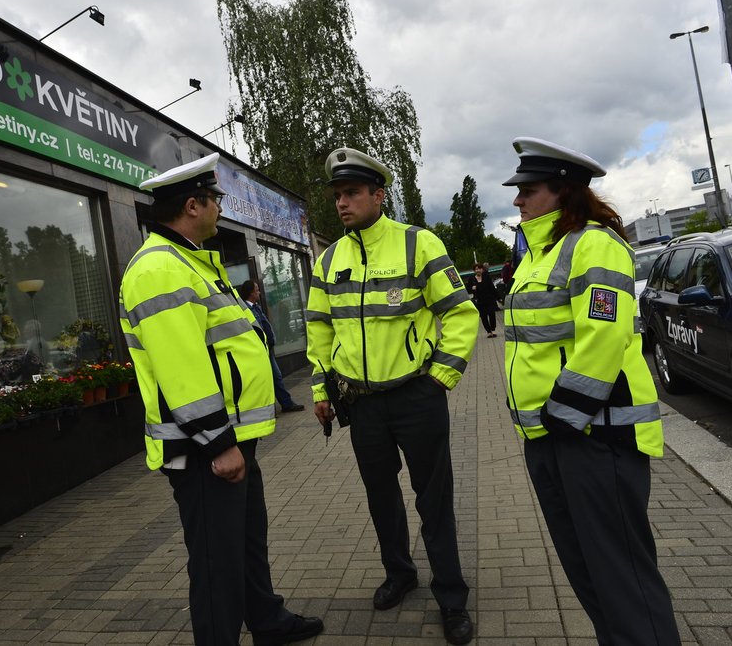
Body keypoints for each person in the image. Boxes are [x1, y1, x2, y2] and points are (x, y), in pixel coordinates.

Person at [119, 153, 323, 646]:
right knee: (216, 563)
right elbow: (181, 370)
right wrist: (218, 444)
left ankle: (267, 621)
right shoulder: (159, 269)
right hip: (204, 448)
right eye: (215, 201)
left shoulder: (187, 260)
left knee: (245, 545)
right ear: (193, 205)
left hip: (228, 439)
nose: (219, 210)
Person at [501, 137, 680, 645]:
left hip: (593, 438)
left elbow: (604, 336)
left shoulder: (593, 244)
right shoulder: (540, 253)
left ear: (563, 191)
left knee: (625, 585)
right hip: (553, 438)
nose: (517, 200)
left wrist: (563, 414)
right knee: (591, 579)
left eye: (527, 190)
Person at [305, 147, 478, 645]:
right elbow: (318, 329)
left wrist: (440, 379)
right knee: (381, 496)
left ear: (379, 195)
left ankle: (451, 596)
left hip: (416, 397)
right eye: (338, 195)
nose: (342, 203)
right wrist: (321, 388)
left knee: (434, 499)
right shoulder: (328, 259)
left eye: (353, 193)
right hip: (361, 403)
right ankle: (399, 573)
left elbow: (461, 314)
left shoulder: (418, 244)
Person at [236, 279, 305, 413]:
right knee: (270, 378)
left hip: (268, 348)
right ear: (251, 293)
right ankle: (277, 406)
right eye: (257, 290)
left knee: (275, 377)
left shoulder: (257, 307)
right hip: (260, 350)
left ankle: (285, 404)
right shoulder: (245, 310)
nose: (259, 292)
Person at [465, 263, 498, 337]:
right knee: (483, 316)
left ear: (482, 269)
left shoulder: (487, 277)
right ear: (474, 271)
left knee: (492, 314)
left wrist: (498, 297)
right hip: (480, 300)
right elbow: (468, 289)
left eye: (479, 268)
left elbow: (492, 287)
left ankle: (493, 330)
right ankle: (488, 331)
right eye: (476, 269)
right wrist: (472, 288)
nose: (478, 270)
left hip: (489, 299)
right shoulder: (472, 279)